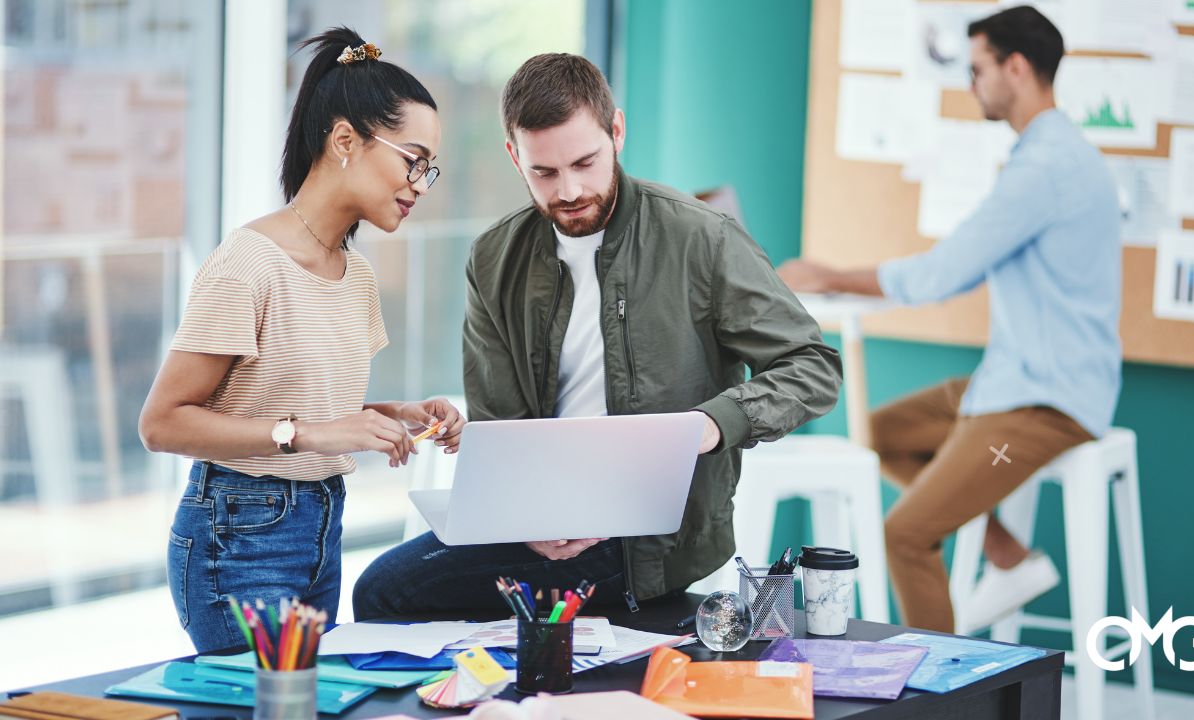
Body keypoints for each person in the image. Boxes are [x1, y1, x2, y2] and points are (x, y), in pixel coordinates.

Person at [352, 53, 843, 619]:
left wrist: (711, 424)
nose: (569, 190)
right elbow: (500, 418)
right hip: (540, 514)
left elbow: (813, 366)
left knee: (386, 593)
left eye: (585, 162)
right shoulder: (493, 258)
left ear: (617, 131)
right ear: (515, 156)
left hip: (649, 542)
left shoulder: (701, 239)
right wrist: (526, 515)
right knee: (384, 589)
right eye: (545, 172)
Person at [778, 6, 1121, 634]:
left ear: (1015, 68)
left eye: (977, 69)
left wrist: (828, 276)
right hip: (1016, 379)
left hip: (1045, 399)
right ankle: (1007, 555)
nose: (971, 83)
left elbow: (940, 275)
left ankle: (946, 694)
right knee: (878, 434)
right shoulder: (1056, 152)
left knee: (906, 535)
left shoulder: (1044, 168)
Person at [138, 27, 464, 652]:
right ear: (346, 139)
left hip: (321, 525)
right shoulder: (248, 263)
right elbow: (162, 424)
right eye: (411, 159)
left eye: (430, 167)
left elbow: (299, 403)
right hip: (240, 535)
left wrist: (394, 415)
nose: (422, 183)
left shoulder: (356, 274)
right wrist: (311, 434)